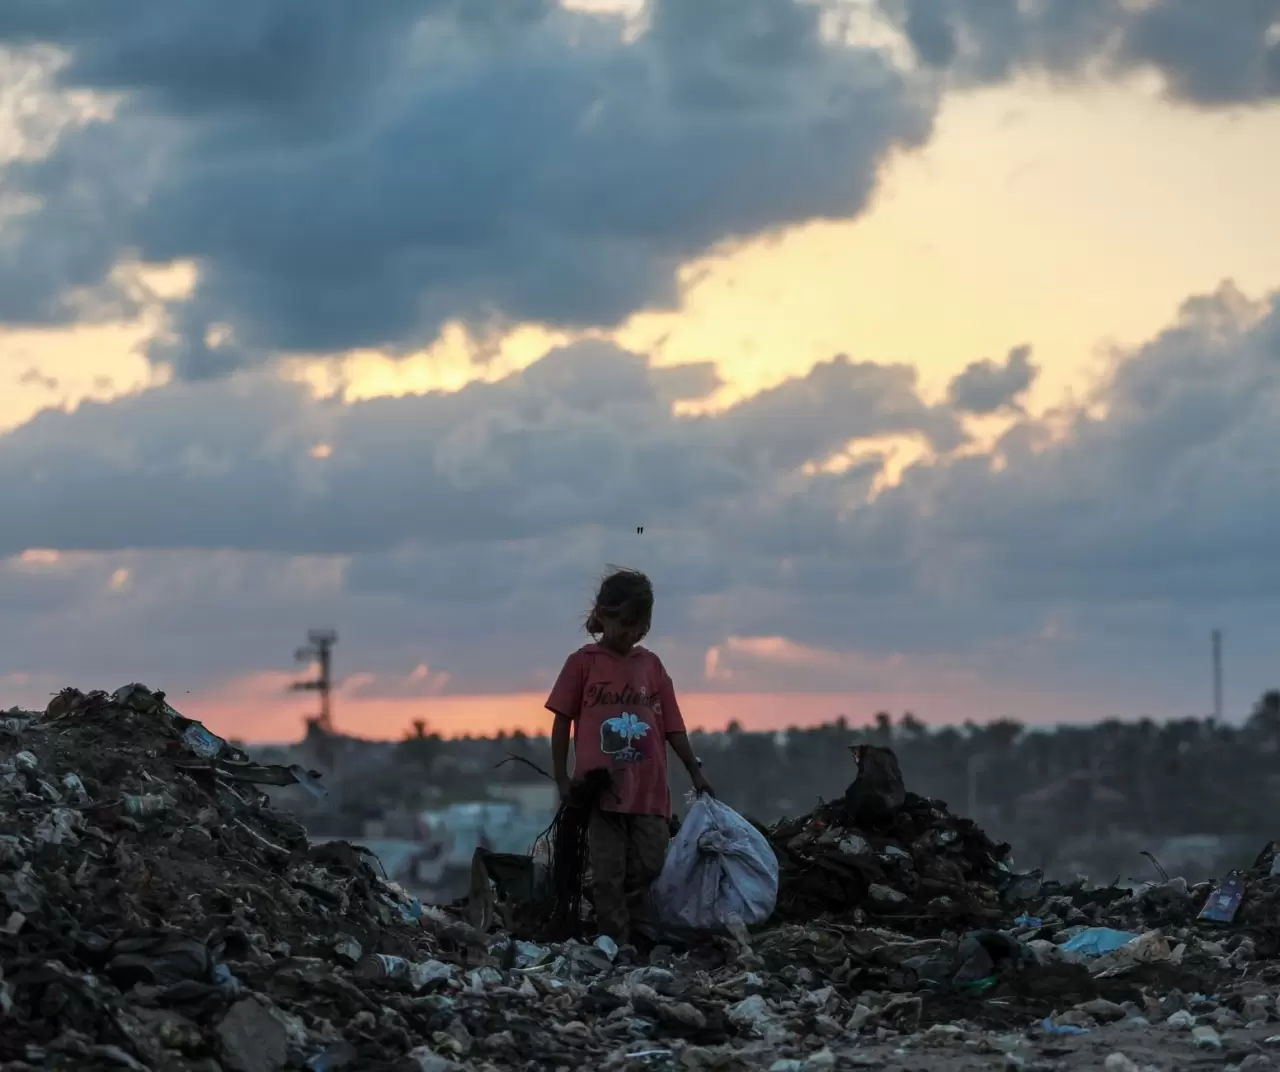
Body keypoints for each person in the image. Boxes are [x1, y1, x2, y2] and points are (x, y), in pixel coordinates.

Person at [546, 567, 714, 943]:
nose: (631, 633)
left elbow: (673, 727)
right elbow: (560, 723)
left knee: (652, 864)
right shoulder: (582, 663)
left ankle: (635, 925)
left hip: (649, 791)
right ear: (602, 615)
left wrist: (694, 772)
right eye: (624, 623)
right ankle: (616, 947)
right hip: (602, 793)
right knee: (608, 874)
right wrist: (562, 778)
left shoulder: (651, 667)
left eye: (640, 626)